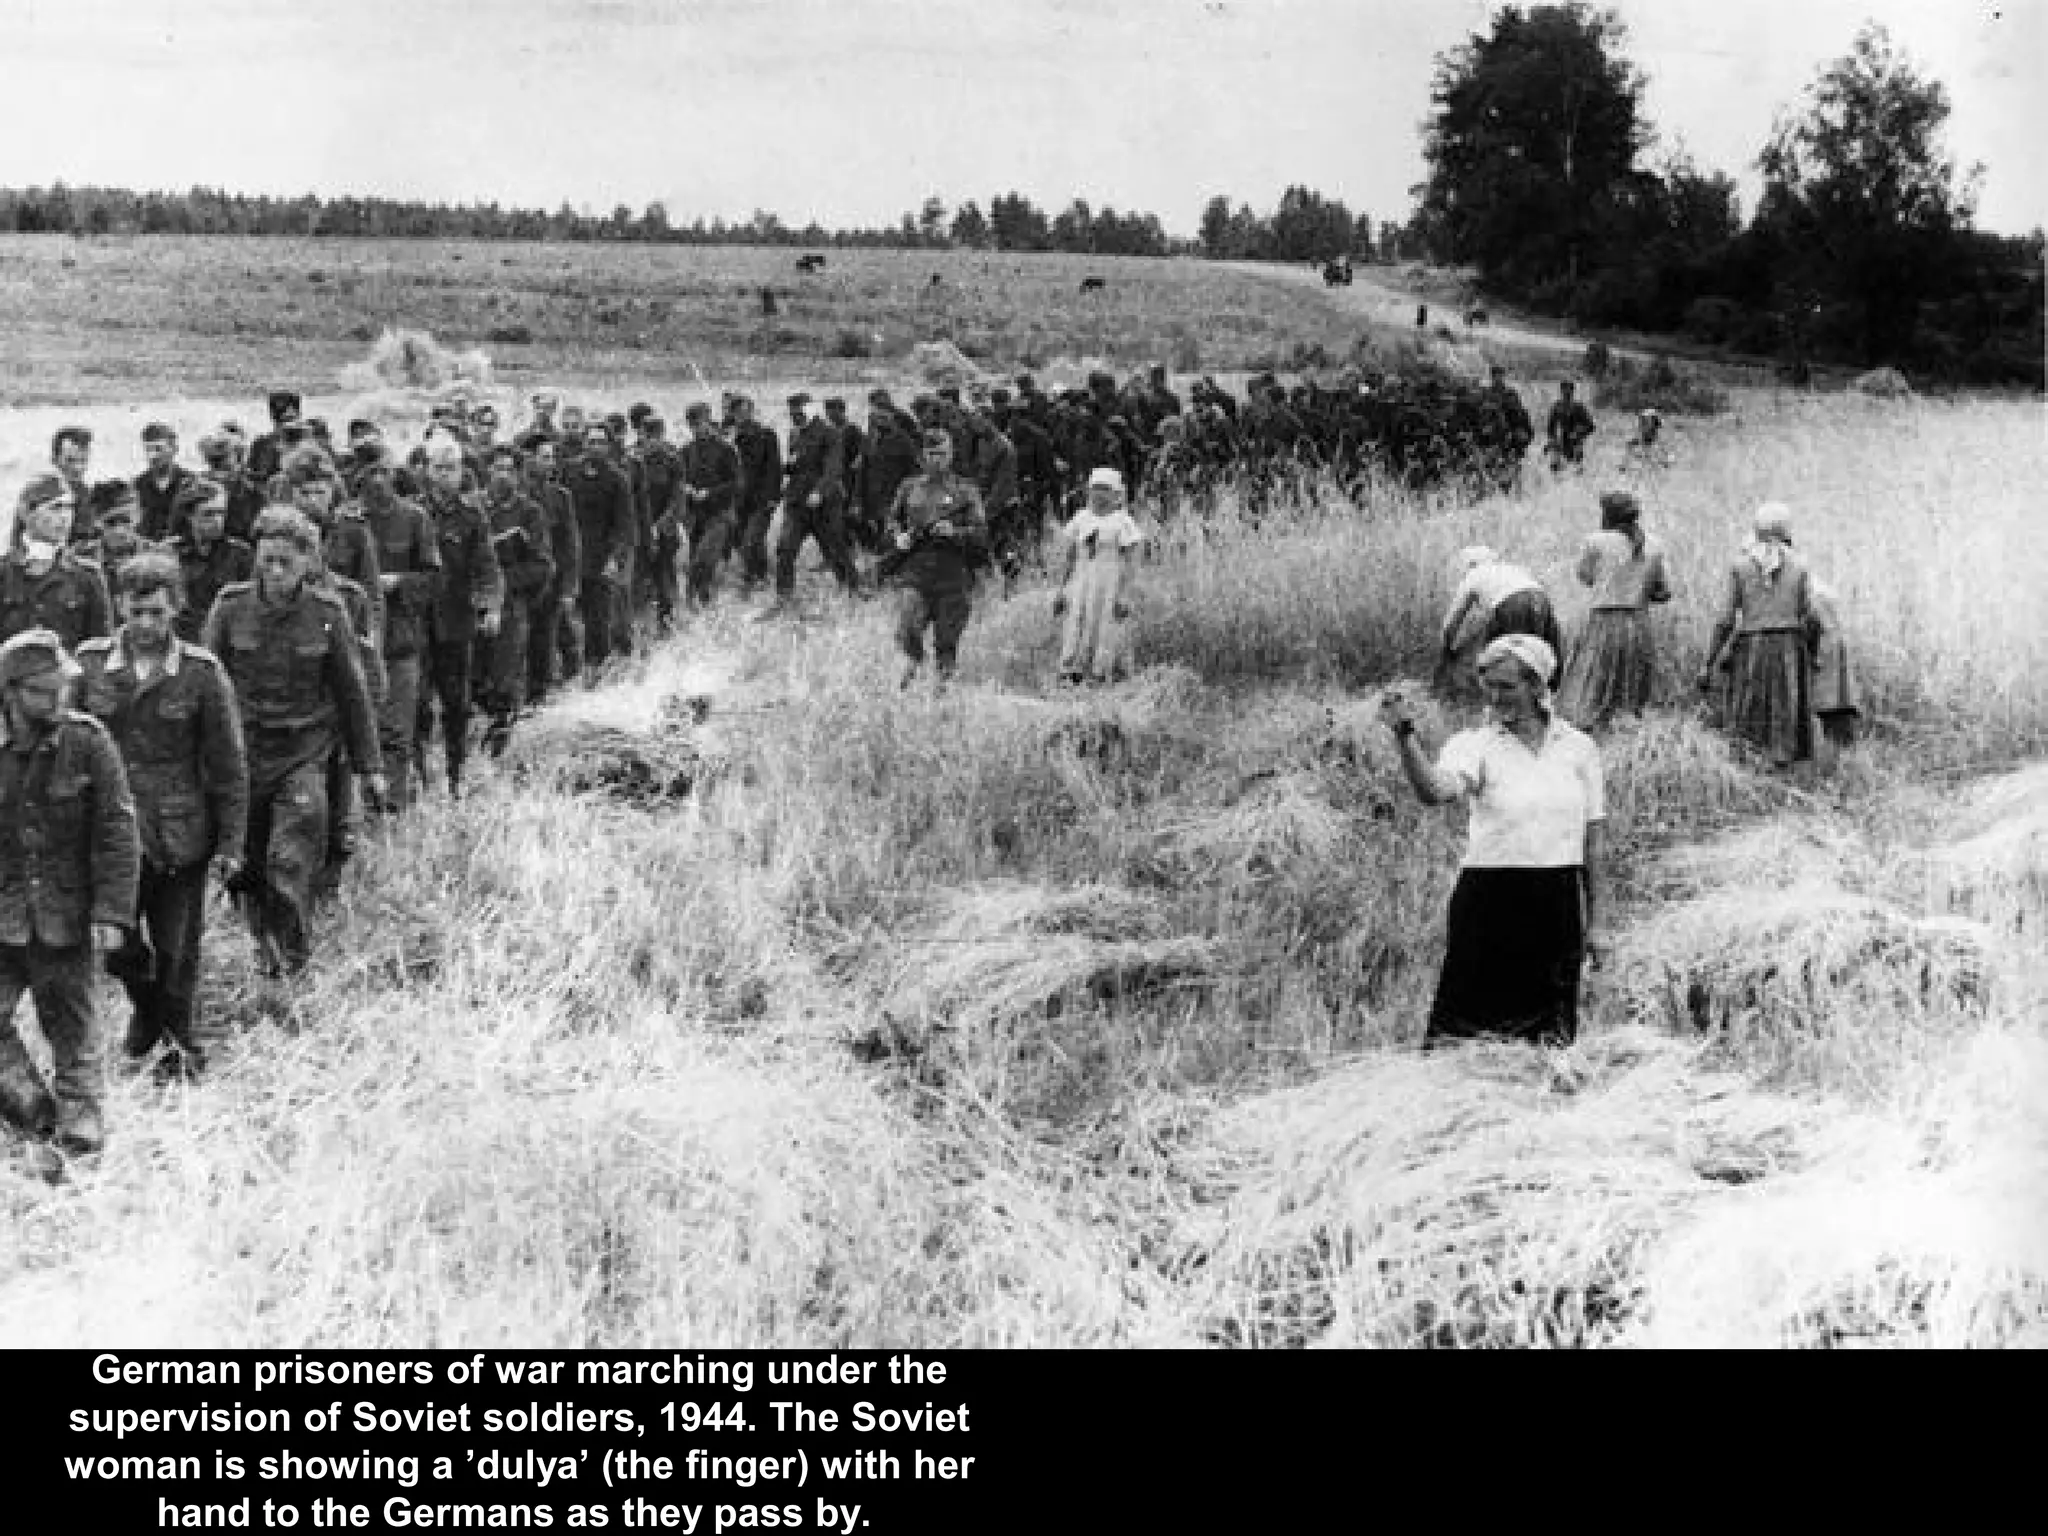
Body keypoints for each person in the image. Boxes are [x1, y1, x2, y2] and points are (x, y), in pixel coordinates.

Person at [1382, 635, 1607, 1049]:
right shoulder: (1476, 746)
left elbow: (1593, 844)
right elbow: (1435, 790)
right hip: (1491, 903)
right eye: (1490, 686)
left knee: (1549, 1042)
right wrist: (1404, 736)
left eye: (1507, 686)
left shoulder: (1579, 749)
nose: (1496, 697)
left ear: (1537, 686)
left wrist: (1598, 925)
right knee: (1467, 1039)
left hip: (1556, 905)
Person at [73, 555, 248, 1082]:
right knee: (117, 946)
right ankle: (150, 1012)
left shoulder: (201, 673)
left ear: (176, 608)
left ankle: (181, 1054)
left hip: (178, 837)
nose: (146, 624)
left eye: (157, 612)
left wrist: (231, 843)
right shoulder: (89, 665)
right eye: (136, 611)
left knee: (176, 954)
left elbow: (228, 765)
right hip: (110, 838)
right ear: (120, 606)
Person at [202, 509, 382, 976]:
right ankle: (263, 951)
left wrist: (369, 767)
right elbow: (206, 684)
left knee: (290, 859)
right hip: (243, 757)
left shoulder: (327, 613)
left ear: (308, 561)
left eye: (286, 561)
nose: (276, 571)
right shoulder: (230, 608)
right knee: (246, 869)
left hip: (303, 755)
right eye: (267, 560)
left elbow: (352, 693)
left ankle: (292, 966)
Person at [0, 629, 140, 1162]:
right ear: (11, 692)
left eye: (62, 687)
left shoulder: (89, 743)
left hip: (66, 913)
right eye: (44, 691)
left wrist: (113, 913)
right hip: (4, 912)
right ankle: (33, 1111)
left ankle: (81, 1132)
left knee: (72, 1030)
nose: (59, 698)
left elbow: (117, 831)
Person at [1698, 502, 1819, 772]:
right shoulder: (1800, 566)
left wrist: (1709, 662)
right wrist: (1812, 651)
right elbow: (1811, 615)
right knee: (1785, 707)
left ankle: (1751, 768)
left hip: (1751, 646)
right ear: (1787, 530)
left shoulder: (1740, 566)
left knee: (1750, 707)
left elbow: (1725, 619)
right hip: (1790, 646)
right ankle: (1781, 768)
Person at [415, 437, 503, 797]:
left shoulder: (472, 516)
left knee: (456, 704)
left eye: (451, 468)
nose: (444, 475)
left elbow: (487, 565)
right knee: (417, 703)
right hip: (418, 622)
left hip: (456, 621)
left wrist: (490, 605)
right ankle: (418, 777)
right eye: (438, 468)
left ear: (461, 471)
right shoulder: (413, 513)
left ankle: (457, 773)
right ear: (426, 471)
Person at [355, 460, 439, 811]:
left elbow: (432, 578)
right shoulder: (349, 524)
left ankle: (392, 809)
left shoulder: (415, 519)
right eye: (369, 478)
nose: (377, 486)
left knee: (397, 732)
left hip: (400, 639)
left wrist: (399, 583)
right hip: (356, 642)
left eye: (383, 477)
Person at [1555, 491, 1672, 728]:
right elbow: (1663, 592)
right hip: (1638, 621)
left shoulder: (1595, 541)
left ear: (1607, 515)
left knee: (1593, 676)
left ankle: (1589, 723)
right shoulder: (1655, 544)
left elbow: (1585, 577)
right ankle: (1628, 725)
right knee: (1632, 678)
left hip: (1604, 619)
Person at [882, 430, 987, 690]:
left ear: (951, 455)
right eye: (931, 454)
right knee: (907, 628)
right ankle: (914, 666)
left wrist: (955, 532)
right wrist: (898, 537)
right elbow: (892, 520)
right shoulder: (909, 487)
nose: (936, 460)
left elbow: (981, 534)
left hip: (953, 575)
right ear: (922, 456)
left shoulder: (966, 490)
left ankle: (942, 691)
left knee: (946, 641)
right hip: (916, 572)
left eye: (941, 454)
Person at [475, 444, 552, 757]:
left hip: (511, 606)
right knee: (473, 680)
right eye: (498, 468)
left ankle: (500, 753)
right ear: (488, 471)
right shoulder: (475, 508)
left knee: (504, 682)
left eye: (509, 469)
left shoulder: (530, 513)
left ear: (519, 475)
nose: (503, 475)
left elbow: (542, 565)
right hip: (472, 606)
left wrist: (503, 583)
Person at [767, 392, 860, 614]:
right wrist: (788, 470)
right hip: (797, 504)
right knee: (785, 548)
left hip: (825, 504)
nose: (795, 417)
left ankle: (852, 588)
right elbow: (795, 467)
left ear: (810, 409)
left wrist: (819, 491)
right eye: (792, 414)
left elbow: (833, 467)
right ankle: (783, 598)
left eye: (799, 413)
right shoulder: (794, 434)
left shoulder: (830, 434)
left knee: (834, 548)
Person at [1053, 468, 1145, 686]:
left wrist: (1125, 594)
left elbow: (1131, 562)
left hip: (1109, 584)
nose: (1099, 495)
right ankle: (1070, 672)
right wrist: (1061, 588)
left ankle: (1099, 673)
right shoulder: (1081, 518)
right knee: (1077, 621)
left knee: (1104, 625)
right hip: (1082, 581)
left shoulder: (1122, 521)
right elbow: (1070, 556)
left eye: (1105, 489)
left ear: (1116, 494)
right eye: (1095, 488)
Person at [2, 474, 114, 651]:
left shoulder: (86, 575)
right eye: (55, 507)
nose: (65, 517)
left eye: (69, 508)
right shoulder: (4, 573)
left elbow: (99, 650)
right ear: (26, 513)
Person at [1438, 546, 1561, 696]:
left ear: (1470, 564)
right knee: (1539, 653)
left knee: (1506, 655)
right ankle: (1548, 695)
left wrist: (1447, 649)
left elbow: (1453, 620)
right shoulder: (1509, 569)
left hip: (1513, 604)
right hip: (1542, 599)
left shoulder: (1473, 575)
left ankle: (1501, 697)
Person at [566, 421, 635, 670]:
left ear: (608, 446)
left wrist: (615, 558)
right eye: (591, 442)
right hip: (573, 554)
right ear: (584, 443)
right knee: (574, 616)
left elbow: (624, 524)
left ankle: (601, 667)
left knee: (600, 617)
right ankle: (576, 668)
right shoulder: (570, 471)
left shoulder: (617, 479)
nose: (595, 447)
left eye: (601, 442)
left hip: (602, 555)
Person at [171, 481, 254, 645]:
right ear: (190, 516)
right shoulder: (170, 553)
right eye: (208, 514)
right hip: (182, 638)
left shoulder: (240, 553)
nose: (217, 520)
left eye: (221, 513)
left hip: (228, 637)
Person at [677, 403, 740, 609]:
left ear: (708, 421)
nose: (697, 428)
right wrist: (686, 488)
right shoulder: (686, 451)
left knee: (704, 557)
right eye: (693, 424)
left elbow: (735, 483)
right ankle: (702, 602)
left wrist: (710, 493)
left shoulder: (726, 450)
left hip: (720, 513)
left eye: (700, 423)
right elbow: (679, 479)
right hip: (695, 516)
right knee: (699, 558)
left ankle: (692, 598)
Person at [731, 395, 782, 593]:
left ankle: (753, 578)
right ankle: (759, 575)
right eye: (737, 412)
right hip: (739, 499)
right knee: (745, 540)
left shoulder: (766, 435)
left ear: (752, 411)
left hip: (762, 499)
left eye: (744, 411)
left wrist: (772, 497)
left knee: (751, 539)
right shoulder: (732, 437)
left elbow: (774, 468)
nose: (741, 416)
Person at [1809, 575, 1861, 767]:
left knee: (1832, 710)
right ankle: (1843, 763)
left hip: (1826, 659)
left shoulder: (1812, 595)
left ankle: (1836, 764)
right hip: (1834, 660)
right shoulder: (1822, 593)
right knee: (1838, 709)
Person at [133, 424, 197, 543]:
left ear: (174, 449)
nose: (152, 456)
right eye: (148, 450)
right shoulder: (139, 484)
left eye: (158, 449)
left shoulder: (190, 481)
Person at [1545, 380, 1595, 471]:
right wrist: (1553, 439)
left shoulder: (1578, 408)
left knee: (1578, 461)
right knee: (1554, 458)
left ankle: (1578, 471)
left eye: (1568, 393)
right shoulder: (1557, 407)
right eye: (1564, 393)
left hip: (1576, 440)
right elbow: (1550, 427)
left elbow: (1591, 426)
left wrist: (1579, 433)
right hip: (1561, 439)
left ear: (1572, 393)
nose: (1566, 395)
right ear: (1561, 392)